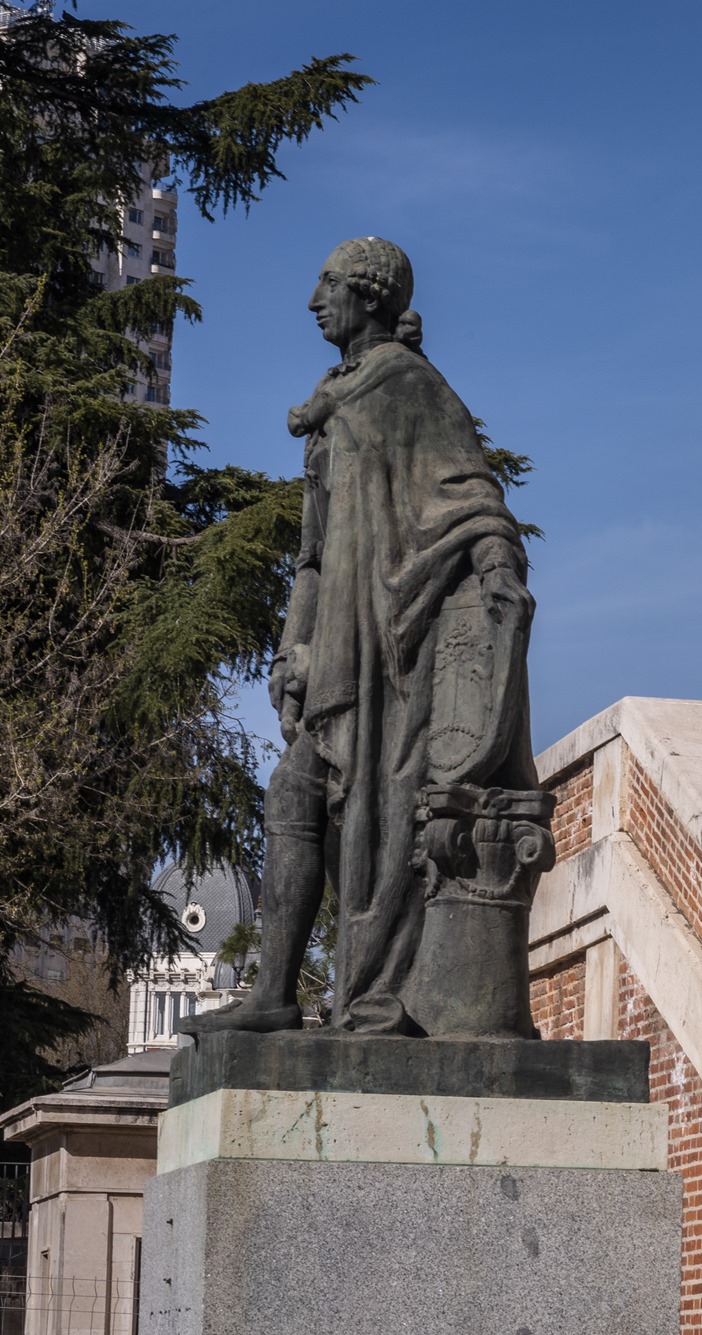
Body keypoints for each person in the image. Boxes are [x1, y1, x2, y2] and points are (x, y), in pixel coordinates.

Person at [185, 237, 535, 1037]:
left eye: (329, 284)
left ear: (371, 296)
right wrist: (289, 648)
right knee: (293, 791)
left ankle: (366, 991)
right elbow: (311, 557)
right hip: (339, 641)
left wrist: (496, 567)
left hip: (398, 649)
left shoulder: (410, 387)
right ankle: (275, 993)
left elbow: (475, 498)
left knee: (365, 820)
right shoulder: (334, 401)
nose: (314, 299)